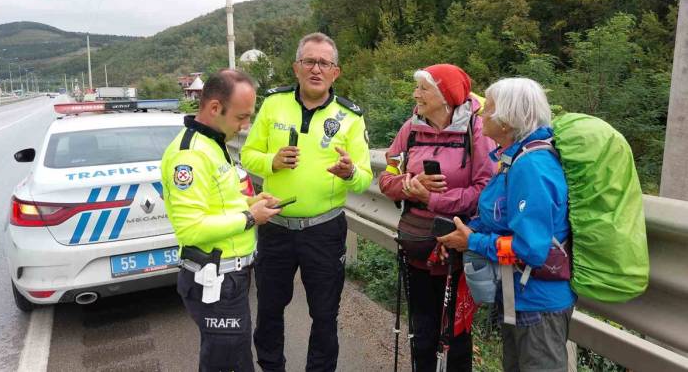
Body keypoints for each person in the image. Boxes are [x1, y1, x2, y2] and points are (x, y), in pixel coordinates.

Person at [241, 32, 373, 372]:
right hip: (276, 227)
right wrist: (271, 161)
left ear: (336, 72)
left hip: (324, 230)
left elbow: (363, 178)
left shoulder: (350, 116)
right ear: (296, 67)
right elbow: (247, 155)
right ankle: (271, 367)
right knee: (270, 308)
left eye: (324, 63)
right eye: (309, 61)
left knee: (325, 313)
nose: (316, 69)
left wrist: (348, 173)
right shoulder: (273, 103)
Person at [437, 77, 576, 372]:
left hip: (539, 304)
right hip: (520, 299)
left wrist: (472, 242)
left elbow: (531, 250)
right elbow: (503, 220)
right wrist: (470, 232)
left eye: (488, 108)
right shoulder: (514, 158)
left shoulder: (531, 166)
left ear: (508, 119)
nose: (481, 113)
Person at [161, 69, 281, 372]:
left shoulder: (214, 143)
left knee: (234, 358)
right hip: (214, 280)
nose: (246, 125)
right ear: (215, 108)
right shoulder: (189, 156)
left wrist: (252, 202)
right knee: (226, 363)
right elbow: (191, 228)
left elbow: (220, 203)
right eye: (241, 117)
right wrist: (249, 218)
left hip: (230, 279)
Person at [379, 64, 495, 371]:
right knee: (422, 331)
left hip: (456, 245)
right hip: (417, 244)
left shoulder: (477, 129)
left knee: (455, 335)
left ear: (446, 95)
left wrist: (433, 198)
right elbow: (387, 178)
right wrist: (408, 186)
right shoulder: (411, 128)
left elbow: (485, 191)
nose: (415, 94)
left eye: (423, 89)